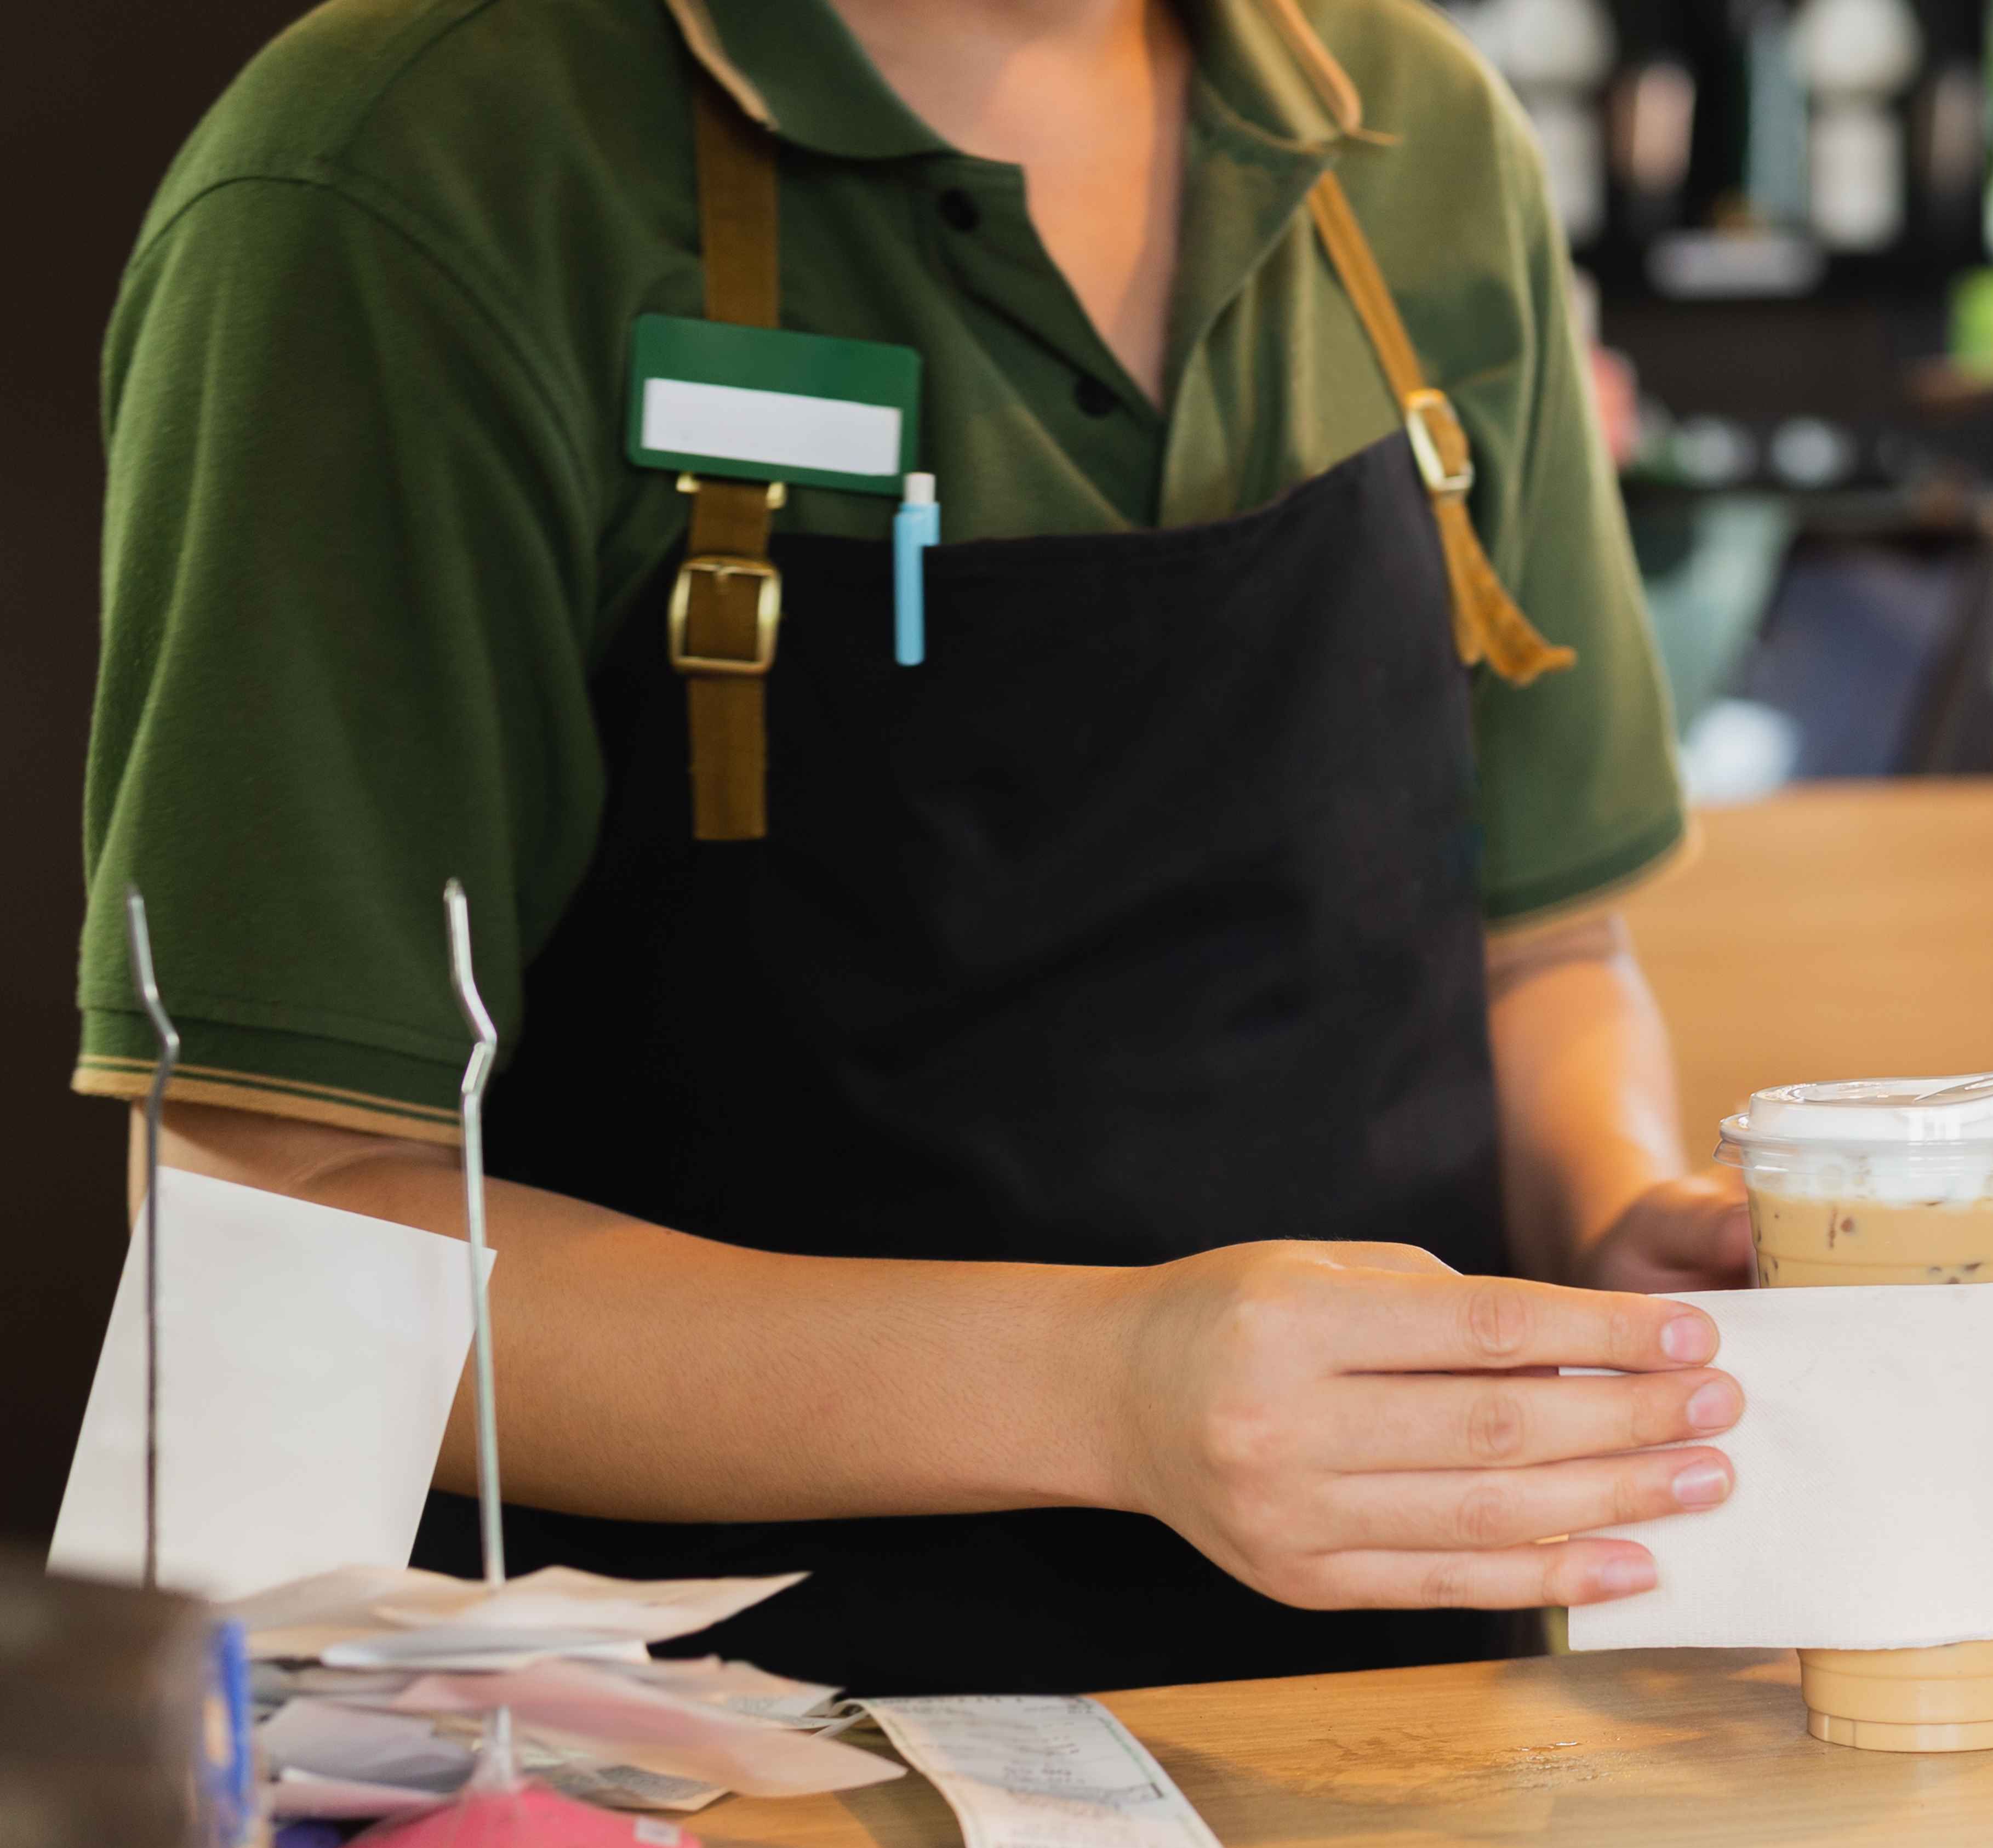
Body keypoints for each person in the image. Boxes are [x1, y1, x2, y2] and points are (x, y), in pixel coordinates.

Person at [75, 0, 1749, 1695]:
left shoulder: (1413, 124)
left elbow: (1538, 951)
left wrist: (1615, 1215)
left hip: (1404, 1732)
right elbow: (287, 1229)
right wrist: (1113, 1387)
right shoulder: (402, 172)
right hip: (684, 1762)